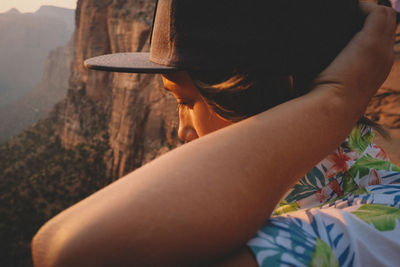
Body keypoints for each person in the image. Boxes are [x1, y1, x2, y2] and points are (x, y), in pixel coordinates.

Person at [32, 1, 398, 266]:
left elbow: (69, 250)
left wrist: (336, 100)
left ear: (269, 90)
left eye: (187, 101)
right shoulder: (347, 182)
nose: (180, 130)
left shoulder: (371, 231)